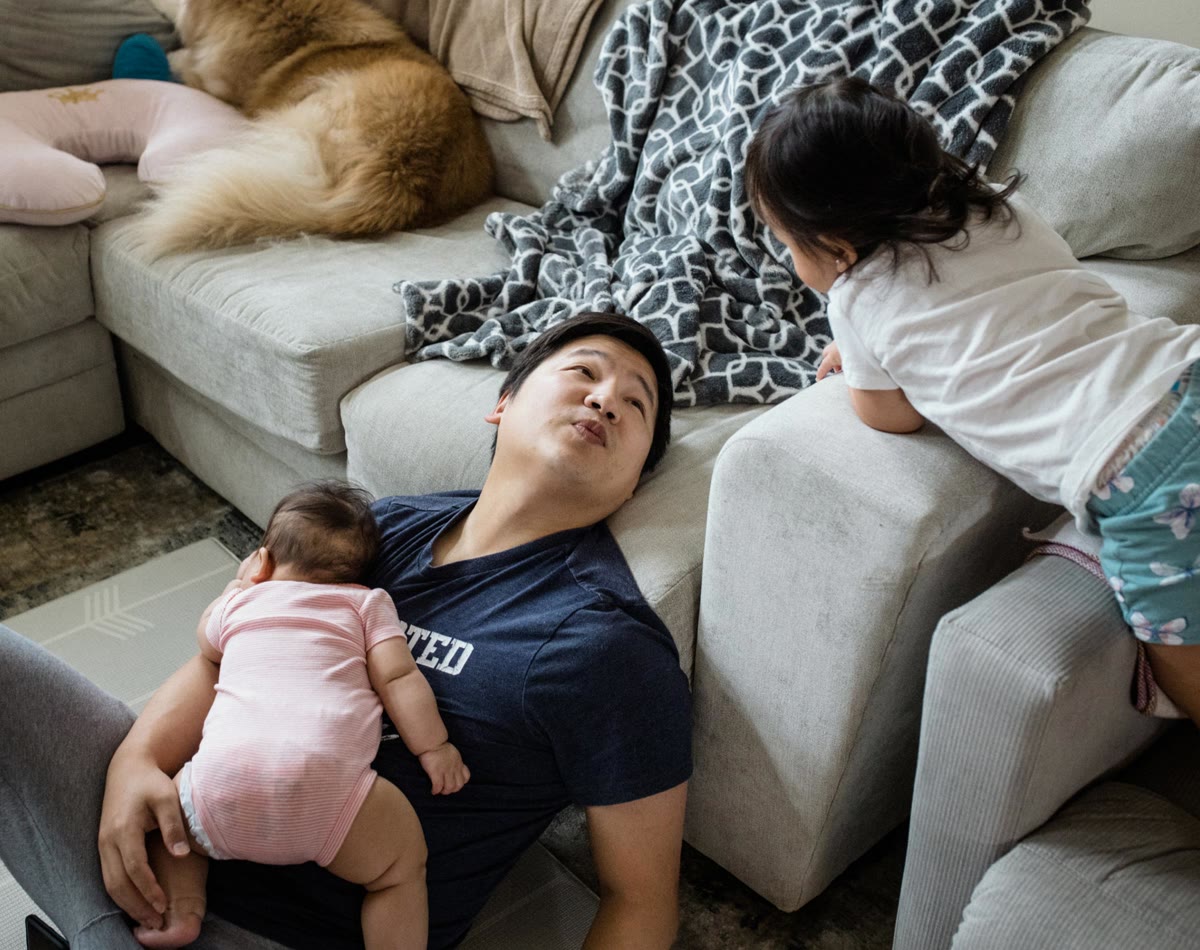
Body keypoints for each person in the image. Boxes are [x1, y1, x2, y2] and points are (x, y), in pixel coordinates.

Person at [0, 311, 690, 950]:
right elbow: (230, 654)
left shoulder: (607, 645)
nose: (605, 400)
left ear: (633, 484)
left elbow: (640, 899)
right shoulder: (381, 527)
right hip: (164, 837)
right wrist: (135, 764)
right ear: (503, 404)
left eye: (636, 405)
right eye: (583, 372)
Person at [745, 75, 1200, 725]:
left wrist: (860, 361)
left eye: (788, 244)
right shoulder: (993, 207)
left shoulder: (858, 299)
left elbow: (890, 415)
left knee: (1178, 650)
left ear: (839, 246)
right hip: (1181, 367)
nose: (791, 263)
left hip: (1135, 473)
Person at [135, 481, 469, 949]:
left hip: (221, 784)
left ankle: (183, 912)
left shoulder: (238, 602)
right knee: (399, 870)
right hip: (327, 792)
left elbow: (207, 644)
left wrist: (240, 581)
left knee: (170, 827)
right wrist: (434, 749)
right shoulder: (366, 604)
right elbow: (398, 680)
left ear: (263, 561)